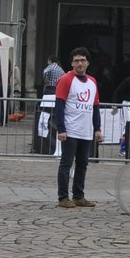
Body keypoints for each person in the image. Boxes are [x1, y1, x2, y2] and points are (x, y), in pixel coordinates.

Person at [51, 48, 102, 209]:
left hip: (86, 130)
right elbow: (59, 105)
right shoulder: (66, 79)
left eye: (83, 60)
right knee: (66, 164)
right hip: (71, 129)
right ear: (72, 63)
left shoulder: (92, 81)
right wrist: (61, 129)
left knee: (82, 163)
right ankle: (63, 197)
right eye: (76, 60)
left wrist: (97, 129)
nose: (80, 63)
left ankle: (79, 195)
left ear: (87, 62)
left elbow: (95, 107)